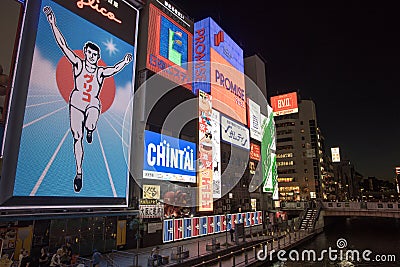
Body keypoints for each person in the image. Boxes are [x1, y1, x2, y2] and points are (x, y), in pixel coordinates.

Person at [43, 6, 132, 193]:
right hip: (76, 103)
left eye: (95, 55)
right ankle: (79, 172)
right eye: (89, 53)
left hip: (92, 103)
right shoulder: (78, 63)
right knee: (77, 137)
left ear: (98, 57)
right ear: (85, 52)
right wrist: (52, 23)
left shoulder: (100, 71)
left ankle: (90, 128)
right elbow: (63, 45)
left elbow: (113, 69)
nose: (91, 57)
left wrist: (124, 61)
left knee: (91, 120)